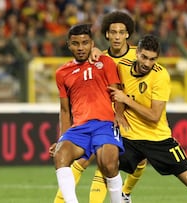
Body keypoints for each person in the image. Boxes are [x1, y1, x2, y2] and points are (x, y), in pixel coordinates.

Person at [108, 35, 187, 203]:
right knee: (106, 167)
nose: (147, 63)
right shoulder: (122, 67)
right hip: (129, 137)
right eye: (144, 57)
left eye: (152, 59)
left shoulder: (161, 76)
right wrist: (118, 113)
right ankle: (123, 195)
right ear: (137, 53)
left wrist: (126, 100)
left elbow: (154, 116)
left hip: (158, 138)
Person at [51, 11, 146, 203]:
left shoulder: (104, 62)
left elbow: (116, 92)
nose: (80, 47)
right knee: (60, 155)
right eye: (76, 43)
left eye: (85, 43)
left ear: (92, 44)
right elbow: (64, 110)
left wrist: (118, 115)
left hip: (104, 124)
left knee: (108, 163)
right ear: (69, 45)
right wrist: (63, 136)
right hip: (80, 128)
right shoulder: (62, 73)